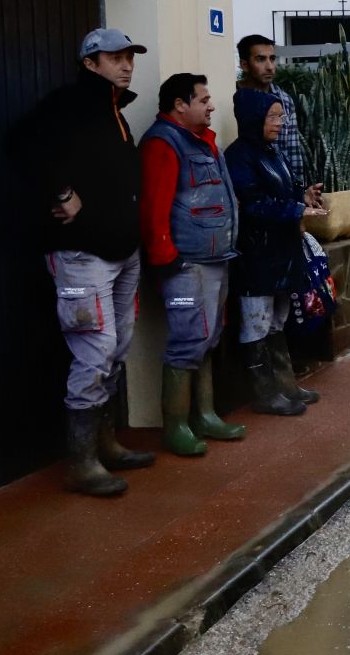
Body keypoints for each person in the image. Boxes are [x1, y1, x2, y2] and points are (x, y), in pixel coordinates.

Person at [10, 28, 154, 497]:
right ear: (90, 63)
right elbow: (23, 144)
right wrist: (62, 194)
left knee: (117, 347)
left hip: (123, 251)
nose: (126, 64)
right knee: (95, 350)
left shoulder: (115, 110)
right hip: (81, 254)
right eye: (114, 57)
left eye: (129, 57)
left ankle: (105, 443)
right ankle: (82, 461)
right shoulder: (70, 103)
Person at [139, 74, 246, 456]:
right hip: (185, 264)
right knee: (187, 341)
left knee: (208, 337)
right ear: (179, 105)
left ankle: (206, 415)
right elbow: (154, 209)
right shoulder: (162, 144)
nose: (211, 105)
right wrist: (167, 261)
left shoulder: (203, 140)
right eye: (203, 99)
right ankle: (177, 426)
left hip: (216, 258)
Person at [225, 88, 325, 415]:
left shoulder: (273, 151)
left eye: (280, 117)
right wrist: (296, 210)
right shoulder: (239, 156)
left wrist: (304, 196)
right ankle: (265, 392)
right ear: (254, 118)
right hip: (257, 255)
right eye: (272, 116)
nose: (279, 123)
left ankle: (285, 383)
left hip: (281, 254)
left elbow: (287, 189)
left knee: (277, 320)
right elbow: (253, 203)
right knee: (256, 321)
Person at [235, 34, 322, 209]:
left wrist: (300, 194)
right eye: (260, 59)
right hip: (246, 193)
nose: (269, 66)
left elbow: (292, 151)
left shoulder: (284, 100)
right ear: (244, 65)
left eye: (272, 59)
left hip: (280, 196)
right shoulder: (234, 95)